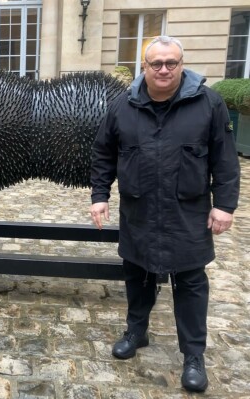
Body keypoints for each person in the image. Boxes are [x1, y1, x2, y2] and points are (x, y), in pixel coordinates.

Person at [89, 36, 240, 393]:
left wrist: (225, 205)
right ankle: (136, 332)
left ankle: (193, 356)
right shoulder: (122, 105)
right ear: (144, 66)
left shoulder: (209, 103)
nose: (164, 69)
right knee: (137, 274)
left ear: (182, 65)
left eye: (171, 63)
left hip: (187, 211)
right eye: (156, 63)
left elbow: (225, 159)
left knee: (189, 283)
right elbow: (103, 154)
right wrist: (99, 196)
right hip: (139, 209)